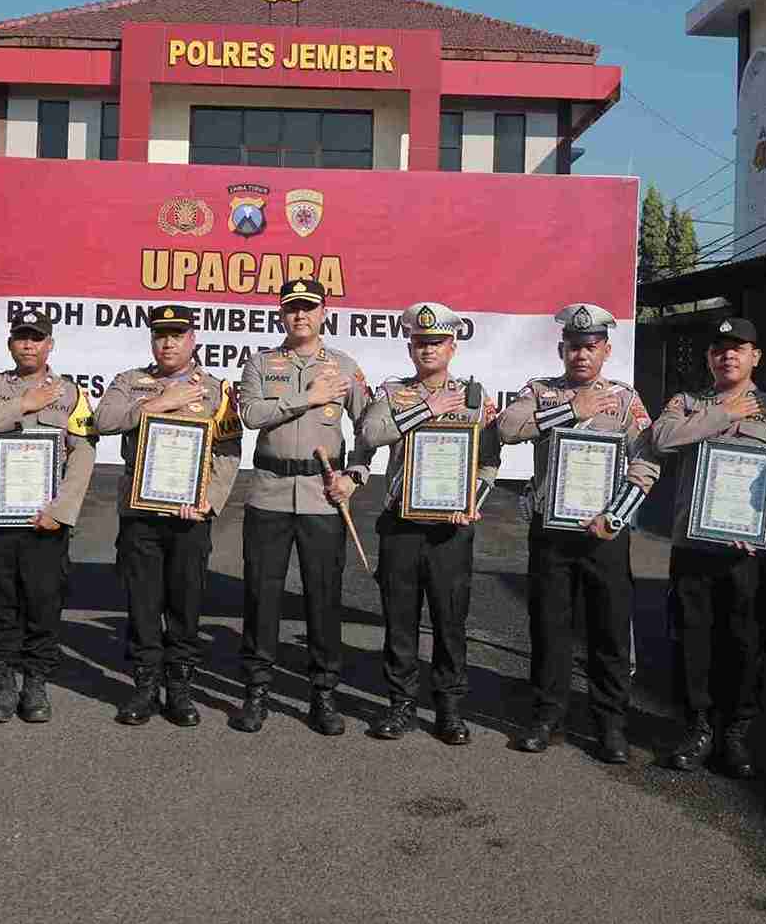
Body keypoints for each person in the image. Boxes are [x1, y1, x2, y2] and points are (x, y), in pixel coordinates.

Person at [498, 302, 659, 759]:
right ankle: (548, 715)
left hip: (604, 533)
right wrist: (572, 408)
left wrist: (617, 515)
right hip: (551, 533)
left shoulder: (626, 400)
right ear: (561, 349)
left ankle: (610, 724)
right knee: (550, 627)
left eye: (591, 347)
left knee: (608, 631)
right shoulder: (541, 390)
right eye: (574, 347)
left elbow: (646, 462)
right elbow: (508, 428)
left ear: (606, 350)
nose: (581, 355)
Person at [648, 317, 766, 778]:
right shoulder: (686, 403)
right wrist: (725, 414)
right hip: (693, 546)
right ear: (709, 358)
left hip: (749, 552)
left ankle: (735, 733)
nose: (727, 356)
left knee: (746, 644)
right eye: (719, 349)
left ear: (756, 356)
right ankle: (698, 729)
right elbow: (662, 438)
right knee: (693, 641)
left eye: (738, 348)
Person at [232, 279, 374, 736]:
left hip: (321, 498)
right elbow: (251, 415)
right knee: (261, 595)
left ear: (323, 313)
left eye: (308, 308)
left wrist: (354, 476)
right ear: (281, 314)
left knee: (322, 598)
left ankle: (323, 694)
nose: (300, 316)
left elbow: (370, 429)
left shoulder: (345, 368)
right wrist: (306, 398)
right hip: (270, 492)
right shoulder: (259, 364)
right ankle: (256, 692)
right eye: (292, 308)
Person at [359, 302, 500, 744]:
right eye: (420, 342)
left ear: (452, 346)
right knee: (399, 620)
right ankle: (400, 705)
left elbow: (490, 461)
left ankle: (449, 708)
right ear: (409, 345)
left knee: (449, 619)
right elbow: (369, 435)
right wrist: (426, 406)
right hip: (401, 523)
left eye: (436, 341)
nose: (427, 349)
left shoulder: (476, 396)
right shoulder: (393, 391)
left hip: (450, 528)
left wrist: (472, 502)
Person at [94, 304, 240, 728]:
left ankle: (179, 687)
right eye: (160, 335)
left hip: (190, 515)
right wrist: (161, 402)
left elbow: (228, 452)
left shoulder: (213, 389)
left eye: (177, 334)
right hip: (140, 513)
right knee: (142, 602)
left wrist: (209, 500)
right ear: (151, 340)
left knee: (185, 603)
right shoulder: (130, 383)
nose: (168, 342)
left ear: (192, 339)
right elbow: (104, 421)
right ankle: (143, 687)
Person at [0, 311, 97, 724]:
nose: (29, 345)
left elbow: (84, 453)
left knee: (43, 603)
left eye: (37, 338)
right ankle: (2, 683)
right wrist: (24, 405)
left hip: (45, 522)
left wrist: (62, 511)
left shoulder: (70, 392)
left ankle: (35, 682)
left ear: (50, 344)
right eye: (22, 338)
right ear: (10, 344)